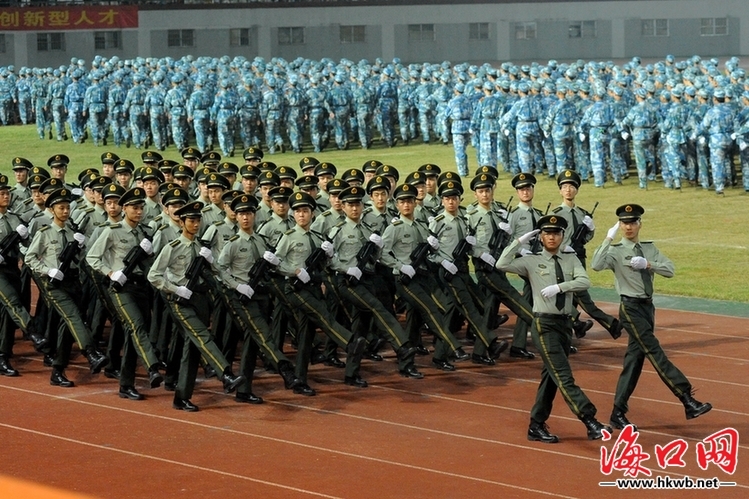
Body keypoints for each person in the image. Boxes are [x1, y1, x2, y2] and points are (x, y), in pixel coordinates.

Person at [591, 204, 712, 430]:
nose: (628, 227)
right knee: (654, 351)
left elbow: (670, 269)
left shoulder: (649, 248)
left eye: (632, 222)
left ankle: (618, 413)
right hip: (630, 308)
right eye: (624, 223)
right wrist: (608, 238)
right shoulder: (616, 251)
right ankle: (686, 397)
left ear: (640, 224)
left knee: (634, 362)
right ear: (620, 225)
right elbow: (596, 265)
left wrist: (648, 264)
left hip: (648, 308)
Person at [497, 214, 612, 443]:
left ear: (562, 236)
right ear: (540, 237)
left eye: (556, 233)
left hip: (564, 325)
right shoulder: (531, 261)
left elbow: (584, 281)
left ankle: (536, 425)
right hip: (545, 325)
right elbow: (501, 264)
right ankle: (590, 420)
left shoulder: (570, 259)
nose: (551, 237)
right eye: (547, 233)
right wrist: (518, 242)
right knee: (563, 375)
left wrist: (560, 287)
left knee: (551, 377)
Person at [147, 201, 245, 412]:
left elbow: (217, 271)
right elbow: (153, 275)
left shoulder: (202, 246)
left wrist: (212, 260)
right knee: (203, 336)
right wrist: (175, 288)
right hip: (180, 301)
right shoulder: (173, 247)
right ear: (182, 222)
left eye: (198, 220)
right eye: (191, 220)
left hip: (200, 299)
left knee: (192, 349)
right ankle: (226, 374)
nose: (196, 224)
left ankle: (181, 397)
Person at [265, 192, 367, 394]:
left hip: (313, 287)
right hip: (295, 288)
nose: (301, 215)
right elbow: (275, 264)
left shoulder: (317, 238)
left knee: (306, 336)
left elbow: (329, 264)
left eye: (305, 211)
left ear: (312, 213)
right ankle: (349, 342)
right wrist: (294, 271)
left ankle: (299, 380)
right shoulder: (288, 237)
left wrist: (335, 259)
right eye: (297, 211)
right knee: (323, 314)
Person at [25, 188, 109, 387]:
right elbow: (30, 258)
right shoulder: (45, 233)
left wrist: (80, 247)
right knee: (74, 317)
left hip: (73, 282)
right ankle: (90, 352)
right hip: (54, 285)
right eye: (61, 208)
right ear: (52, 209)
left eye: (67, 207)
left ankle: (58, 370)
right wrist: (48, 270)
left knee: (67, 328)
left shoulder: (73, 232)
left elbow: (81, 259)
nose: (65, 211)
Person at [85, 187, 164, 400]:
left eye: (141, 208)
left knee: (133, 333)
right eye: (134, 208)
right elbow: (92, 257)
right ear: (125, 208)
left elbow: (148, 264)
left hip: (140, 287)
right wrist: (110, 273)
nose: (139, 212)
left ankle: (126, 385)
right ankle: (152, 366)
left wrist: (150, 254)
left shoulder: (143, 232)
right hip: (121, 288)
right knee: (137, 325)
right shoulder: (112, 231)